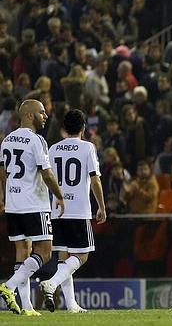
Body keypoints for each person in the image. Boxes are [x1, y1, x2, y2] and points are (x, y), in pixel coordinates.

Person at [0, 99, 65, 316]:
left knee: (23, 252)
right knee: (45, 252)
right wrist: (59, 196)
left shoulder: (7, 140)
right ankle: (8, 286)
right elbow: (46, 173)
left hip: (13, 204)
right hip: (34, 204)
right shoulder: (37, 140)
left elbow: (2, 173)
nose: (45, 116)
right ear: (29, 115)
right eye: (42, 112)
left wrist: (5, 195)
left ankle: (27, 307)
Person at [39, 109, 106, 313]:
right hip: (78, 210)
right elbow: (95, 179)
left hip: (57, 210)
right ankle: (51, 283)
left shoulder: (53, 149)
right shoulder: (88, 148)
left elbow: (46, 178)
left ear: (63, 129)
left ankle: (71, 304)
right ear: (83, 128)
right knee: (82, 255)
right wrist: (101, 206)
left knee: (63, 258)